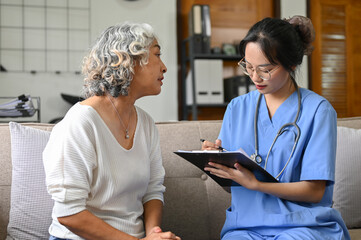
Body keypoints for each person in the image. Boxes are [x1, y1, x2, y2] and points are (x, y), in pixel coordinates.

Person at [202, 16, 350, 240]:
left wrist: (257, 184)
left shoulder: (318, 111)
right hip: (245, 227)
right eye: (248, 67)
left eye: (266, 69)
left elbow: (315, 191)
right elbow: (233, 186)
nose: (255, 77)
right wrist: (216, 165)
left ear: (291, 63)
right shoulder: (237, 108)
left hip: (304, 225)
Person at [43, 22, 181, 240]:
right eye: (157, 55)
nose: (164, 67)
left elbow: (153, 190)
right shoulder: (80, 123)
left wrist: (154, 235)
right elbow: (68, 214)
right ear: (129, 61)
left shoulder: (145, 123)